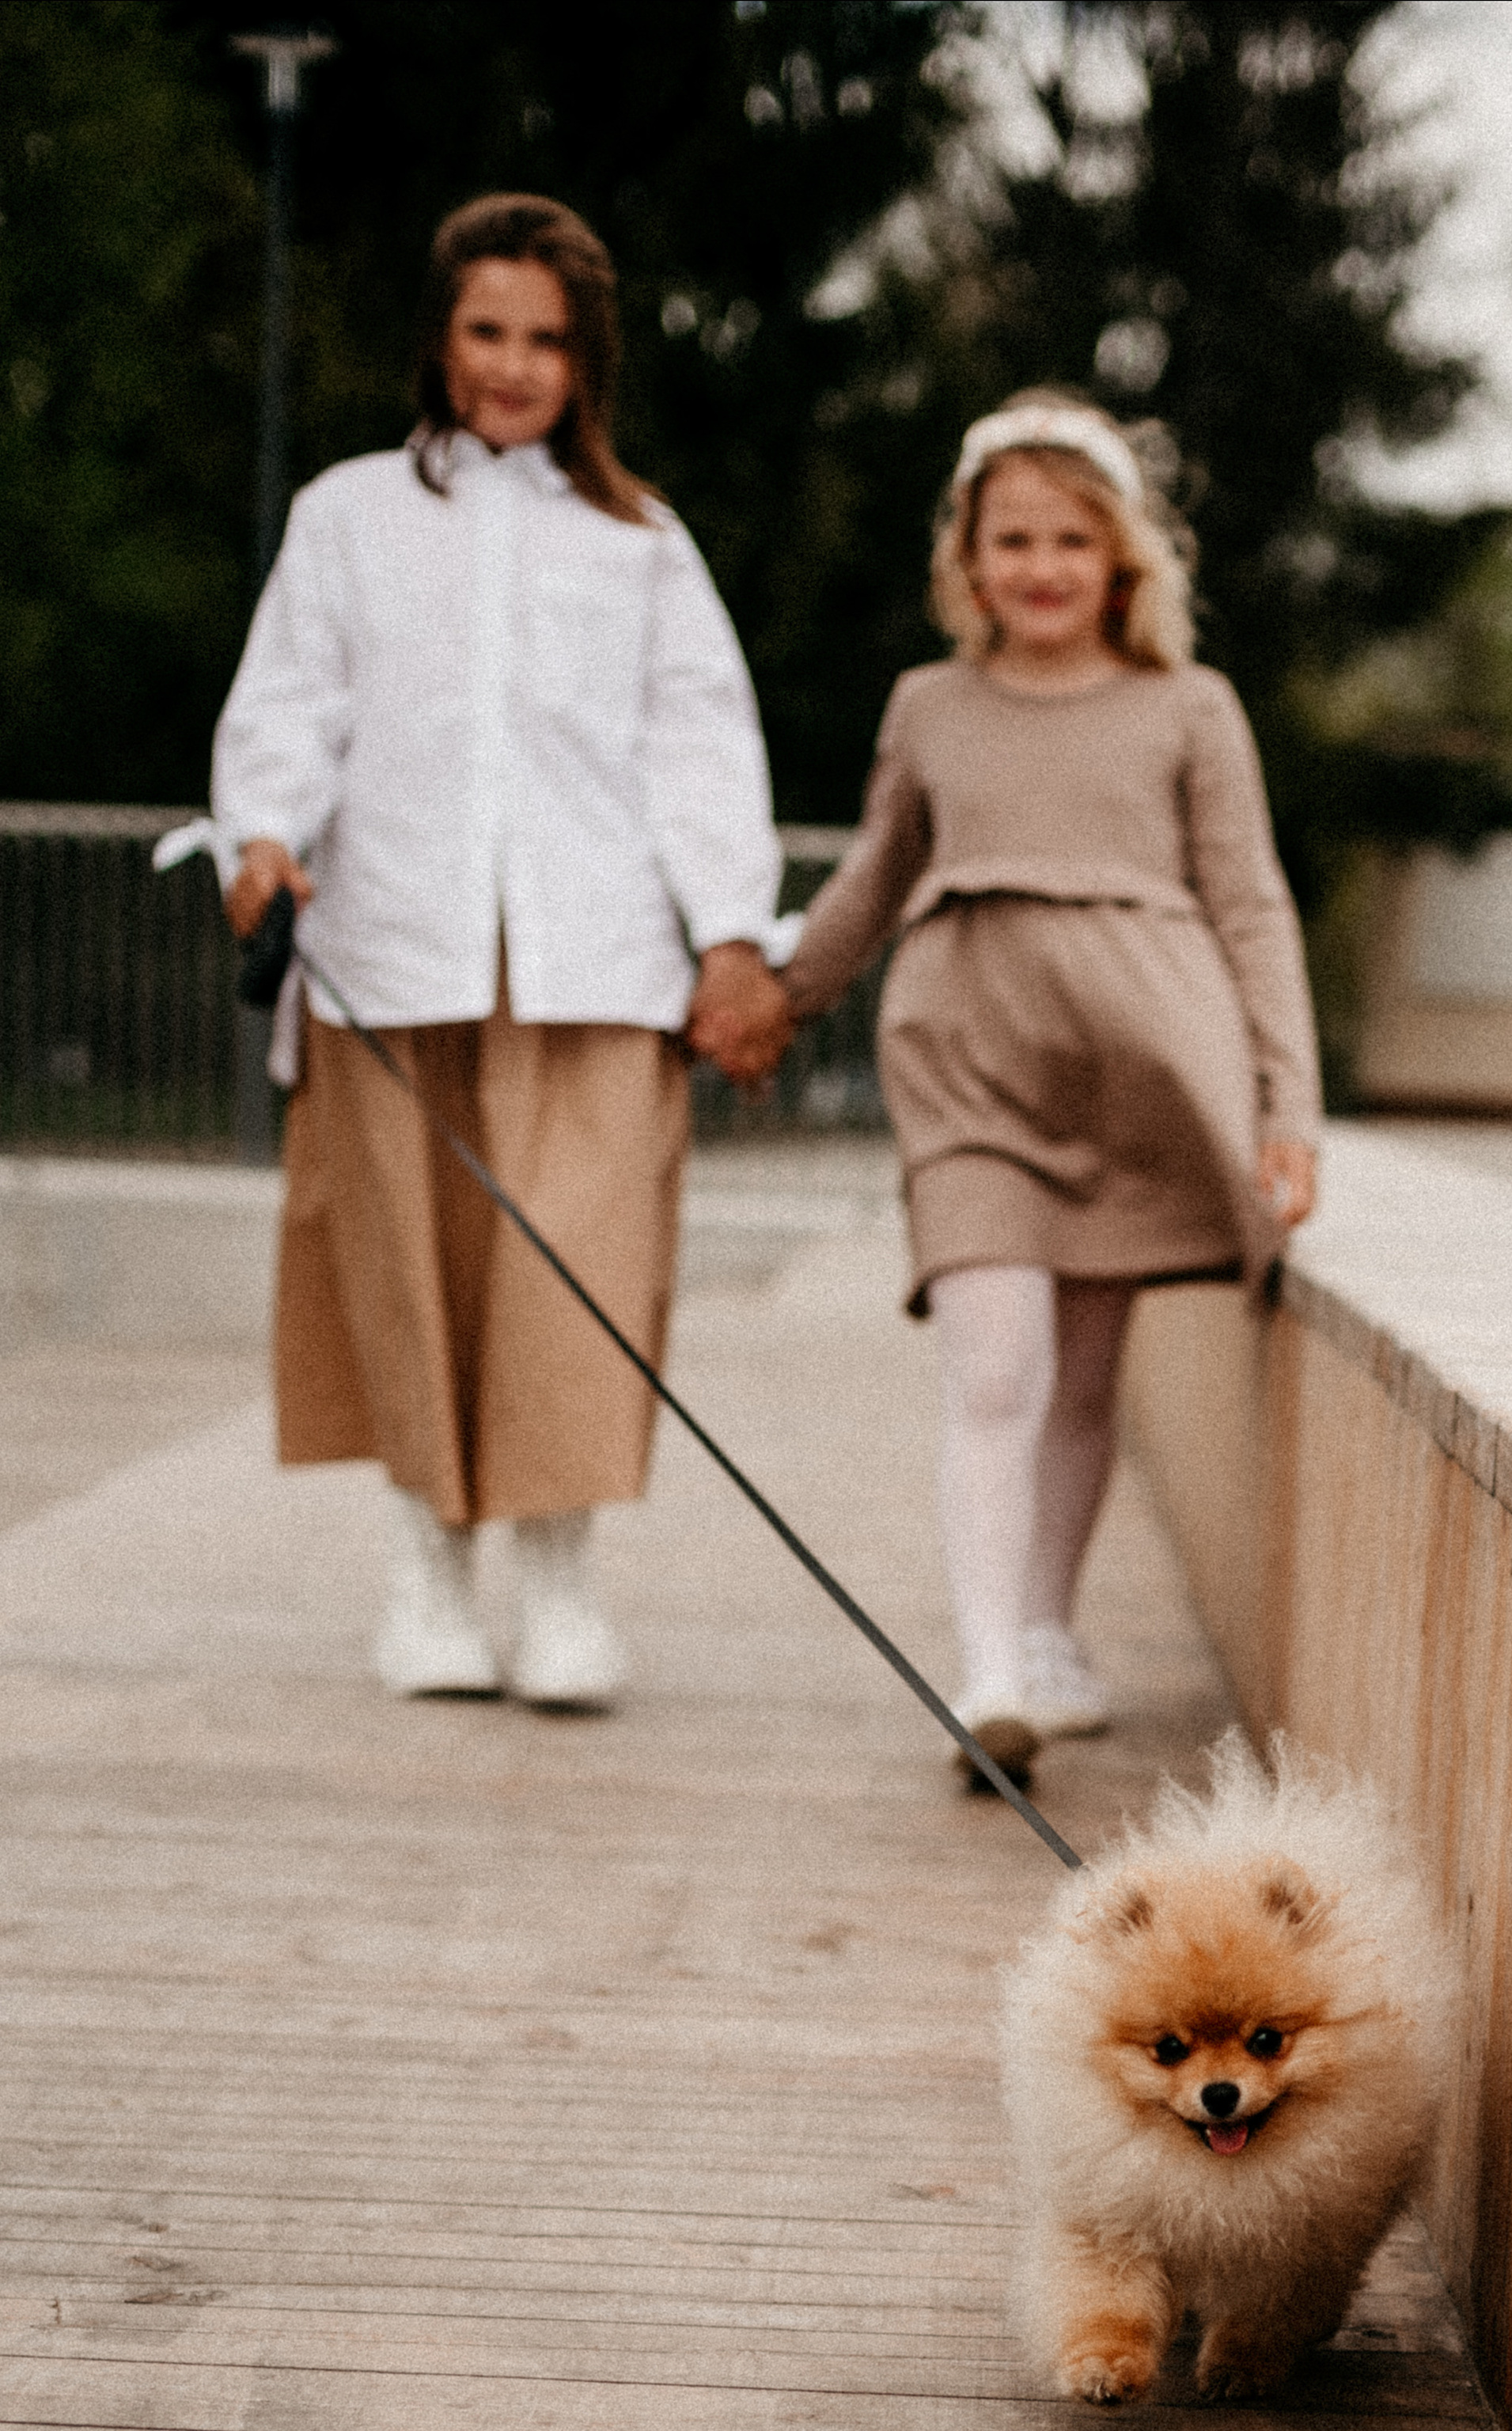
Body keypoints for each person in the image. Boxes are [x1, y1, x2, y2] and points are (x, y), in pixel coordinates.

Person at [211, 193, 795, 1710]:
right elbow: (290, 703)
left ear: (587, 359)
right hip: (390, 953)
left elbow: (701, 747)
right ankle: (427, 1581)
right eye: (487, 330)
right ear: (440, 336)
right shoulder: (347, 515)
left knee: (574, 1275)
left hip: (595, 966)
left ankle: (559, 1587)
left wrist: (731, 936)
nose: (514, 365)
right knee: (406, 1272)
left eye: (547, 339)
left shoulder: (643, 543)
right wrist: (262, 834)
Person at [783, 389, 1322, 1777]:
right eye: (1012, 539)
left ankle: (1045, 1627)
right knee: (994, 1362)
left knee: (1084, 1379)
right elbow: (873, 878)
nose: (1041, 567)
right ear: (967, 559)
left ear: (1122, 558)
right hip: (967, 1063)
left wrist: (1288, 1107)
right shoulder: (930, 705)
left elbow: (1252, 906)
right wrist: (775, 999)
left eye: (1071, 541)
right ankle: (989, 1681)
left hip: (1138, 1075)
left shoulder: (1189, 707)